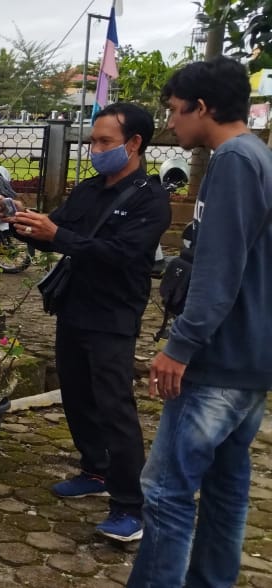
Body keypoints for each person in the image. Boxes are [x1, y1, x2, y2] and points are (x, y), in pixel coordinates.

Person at [128, 57, 272, 588]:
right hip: (250, 361)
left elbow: (219, 271)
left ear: (202, 107)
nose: (169, 123)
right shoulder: (258, 154)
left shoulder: (233, 160)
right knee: (227, 489)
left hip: (216, 360)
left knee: (166, 491)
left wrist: (180, 347)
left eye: (173, 111)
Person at [3, 101, 170, 542]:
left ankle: (129, 506)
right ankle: (94, 470)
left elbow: (122, 255)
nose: (94, 149)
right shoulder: (88, 190)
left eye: (104, 142)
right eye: (92, 141)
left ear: (134, 144)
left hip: (113, 315)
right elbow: (58, 235)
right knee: (76, 395)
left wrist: (59, 236)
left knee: (114, 406)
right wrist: (24, 225)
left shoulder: (151, 201)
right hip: (74, 309)